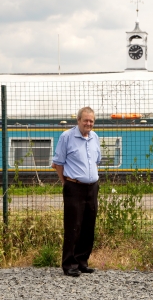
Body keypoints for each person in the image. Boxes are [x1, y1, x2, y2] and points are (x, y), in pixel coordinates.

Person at [52, 106, 102, 277]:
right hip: (74, 187)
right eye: (86, 120)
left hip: (92, 187)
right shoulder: (66, 137)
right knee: (73, 226)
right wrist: (65, 182)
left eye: (91, 121)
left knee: (89, 226)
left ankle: (82, 261)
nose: (89, 123)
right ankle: (69, 264)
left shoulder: (95, 137)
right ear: (78, 120)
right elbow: (58, 163)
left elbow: (97, 161)